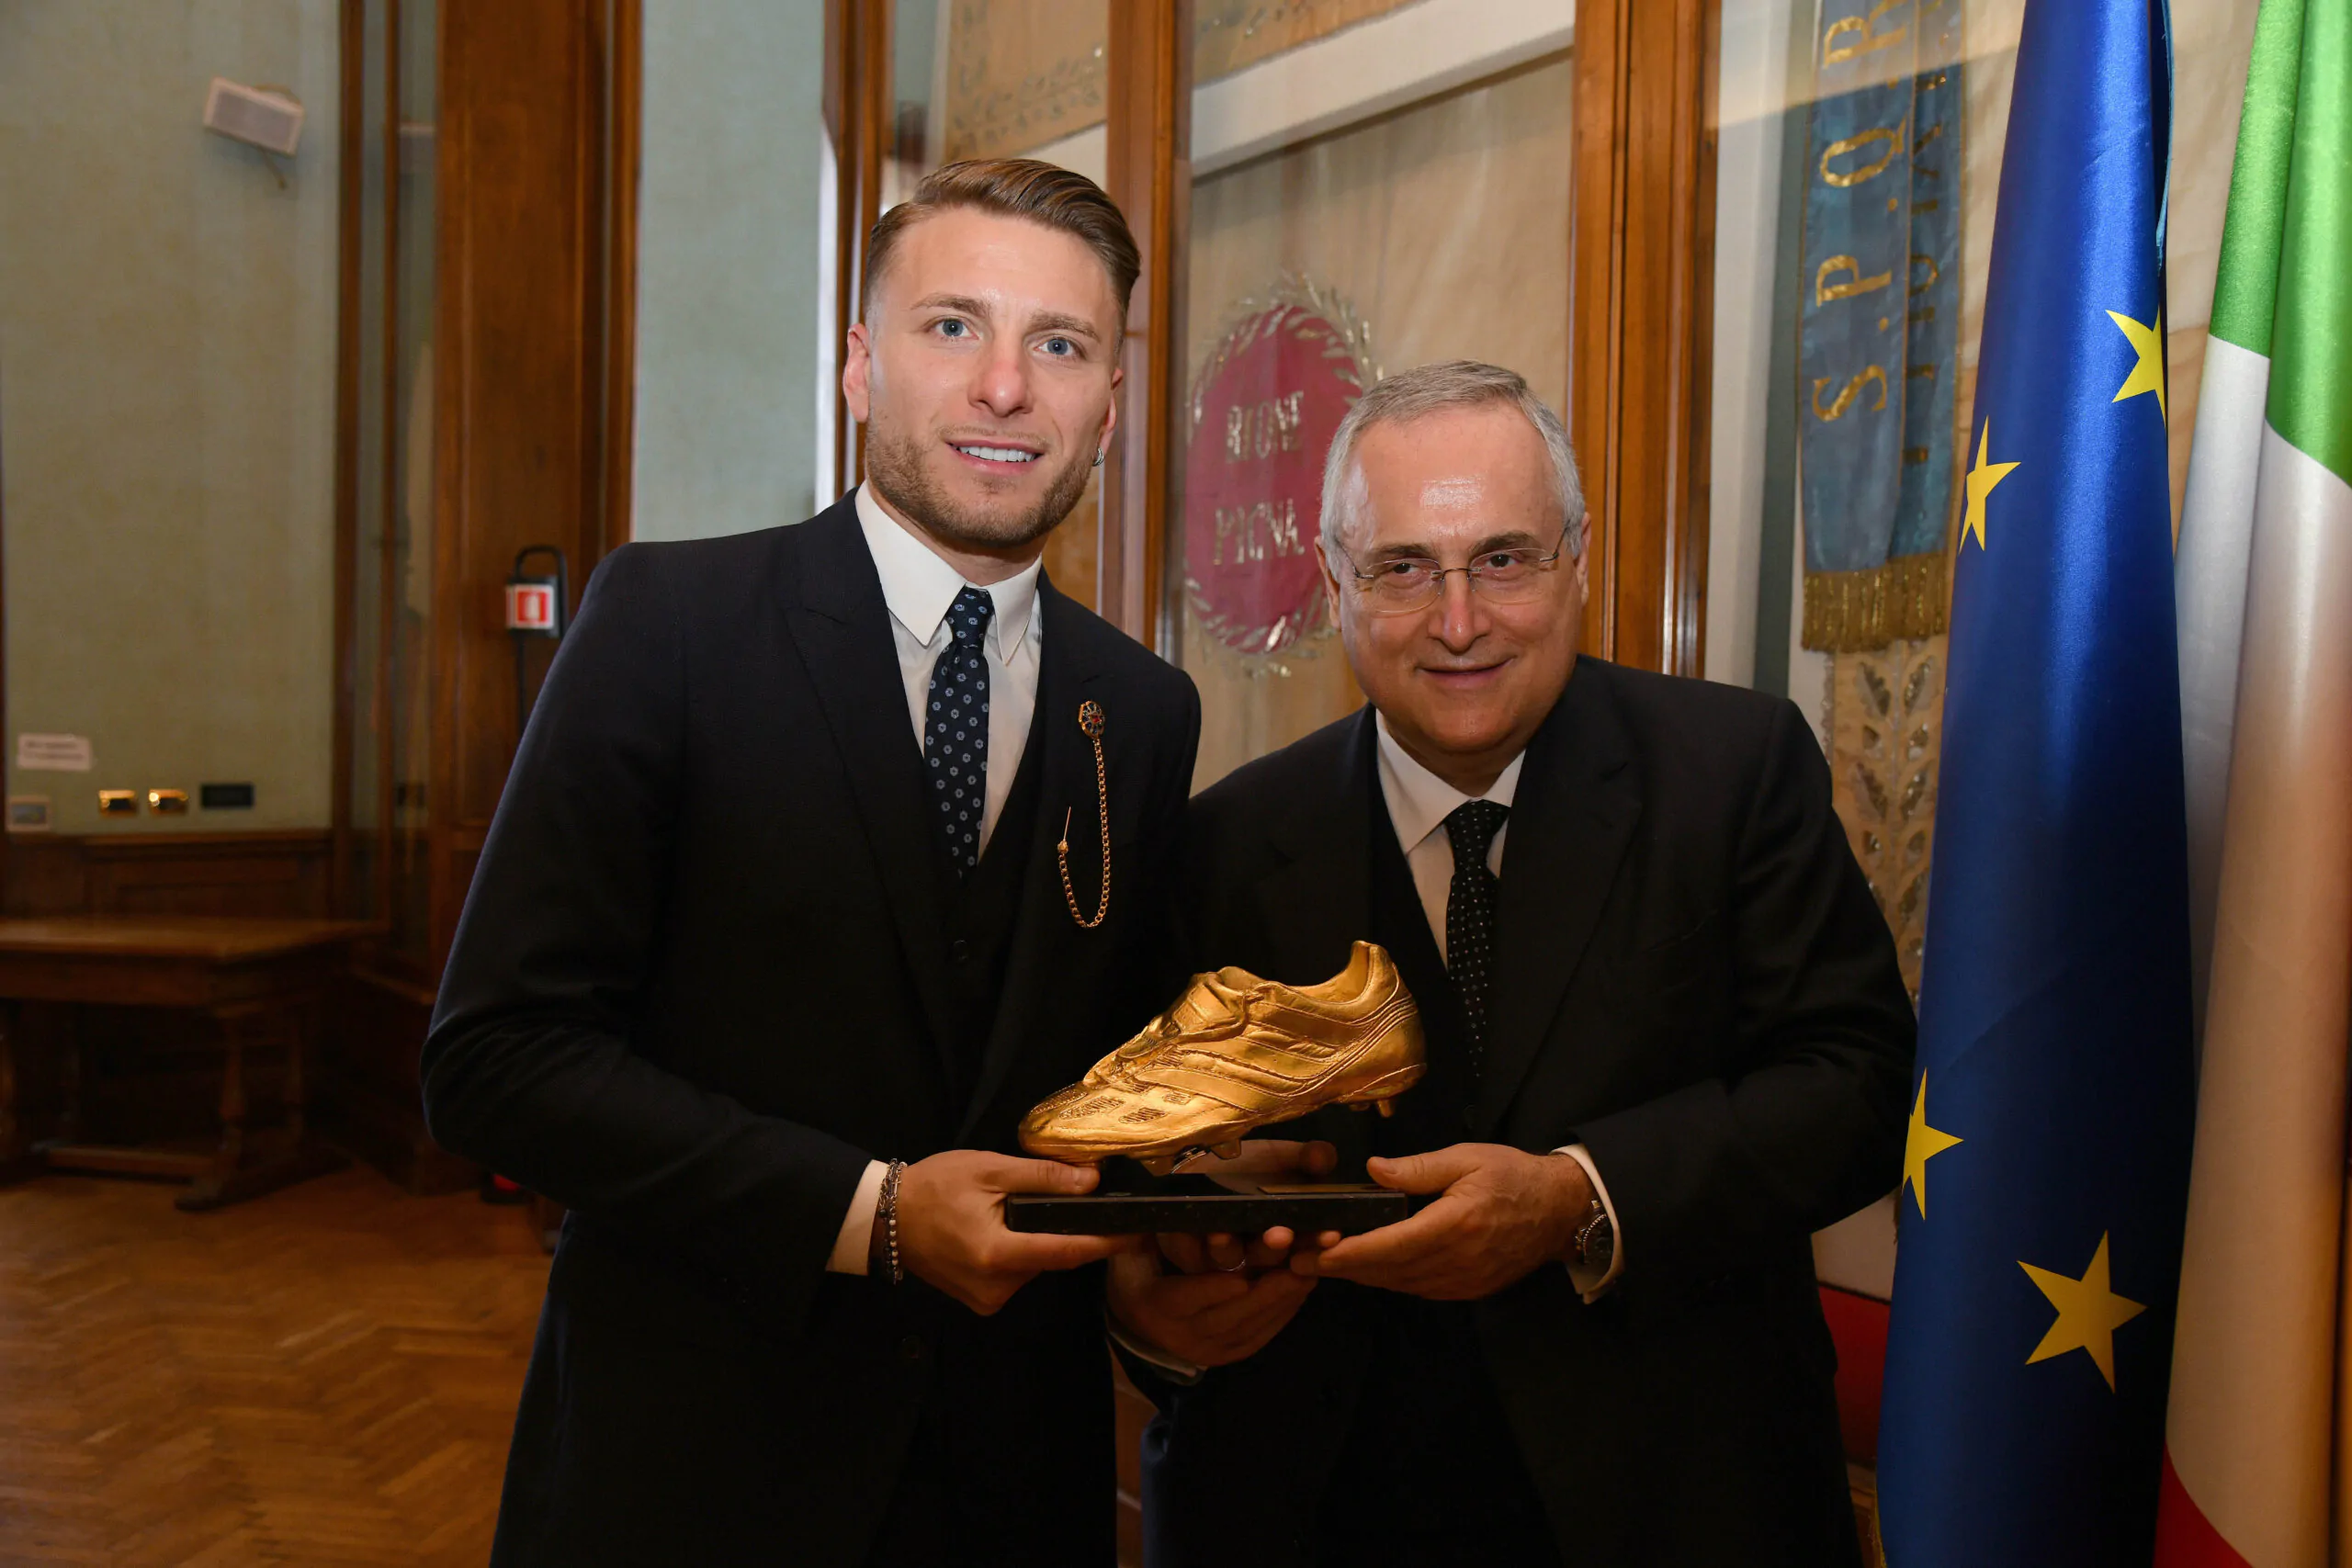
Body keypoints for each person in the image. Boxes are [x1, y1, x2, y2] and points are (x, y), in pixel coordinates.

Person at [423, 159, 1201, 1567]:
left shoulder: (1140, 710)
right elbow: (497, 1059)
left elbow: (1104, 1082)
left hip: (1010, 1482)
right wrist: (876, 1217)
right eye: (951, 326)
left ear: (1112, 405)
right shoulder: (670, 623)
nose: (1005, 388)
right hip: (694, 1468)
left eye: (1062, 344)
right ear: (859, 366)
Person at [1109, 361, 1914, 1567]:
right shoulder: (1223, 841)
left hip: (1682, 1505)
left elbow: (1855, 1084)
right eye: (1402, 568)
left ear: (1576, 560)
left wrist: (1579, 1198)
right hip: (1310, 1515)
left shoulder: (1733, 772)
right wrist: (1161, 1302)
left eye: (1502, 558)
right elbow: (1146, 1181)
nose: (1459, 619)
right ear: (1335, 583)